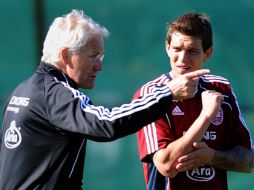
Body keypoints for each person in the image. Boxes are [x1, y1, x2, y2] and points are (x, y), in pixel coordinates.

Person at [0, 10, 210, 190]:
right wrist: (167, 93)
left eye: (100, 58)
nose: (99, 67)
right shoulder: (55, 93)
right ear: (65, 55)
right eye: (93, 56)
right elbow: (106, 123)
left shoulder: (24, 90)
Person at [133, 12, 254, 190]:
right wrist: (206, 116)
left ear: (208, 53)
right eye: (177, 49)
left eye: (192, 51)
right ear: (167, 47)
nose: (182, 59)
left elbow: (248, 161)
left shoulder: (221, 89)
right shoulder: (151, 94)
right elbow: (166, 165)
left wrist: (212, 156)